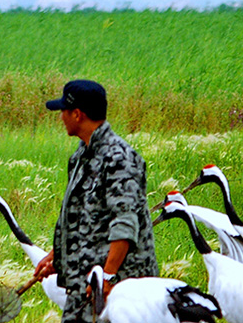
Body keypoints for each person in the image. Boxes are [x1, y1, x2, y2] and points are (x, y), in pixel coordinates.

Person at [32, 79, 158, 323]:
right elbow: (78, 220)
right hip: (84, 285)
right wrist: (56, 257)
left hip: (119, 290)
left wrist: (108, 277)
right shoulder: (80, 156)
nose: (61, 118)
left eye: (63, 112)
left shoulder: (119, 158)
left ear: (77, 114)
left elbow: (125, 224)